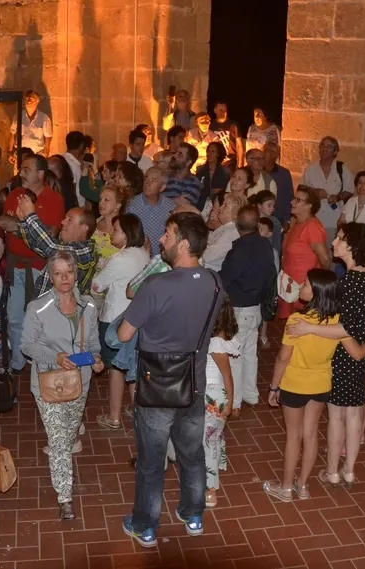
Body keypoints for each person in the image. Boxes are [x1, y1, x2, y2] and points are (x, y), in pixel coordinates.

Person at [118, 213, 224, 547]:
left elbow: (123, 334)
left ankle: (146, 525)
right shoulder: (215, 282)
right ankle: (193, 516)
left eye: (168, 234)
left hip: (157, 387)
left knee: (151, 462)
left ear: (184, 243)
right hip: (194, 383)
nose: (161, 239)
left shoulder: (156, 285)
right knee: (192, 454)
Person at [285, 224, 365, 487]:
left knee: (337, 414)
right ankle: (349, 469)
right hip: (364, 352)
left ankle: (332, 472)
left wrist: (309, 328)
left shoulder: (348, 282)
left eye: (340, 239)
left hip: (344, 355)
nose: (334, 243)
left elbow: (343, 328)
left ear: (352, 247)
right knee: (355, 413)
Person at [22, 251, 104, 520]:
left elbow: (93, 344)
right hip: (48, 383)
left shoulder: (88, 307)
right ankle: (64, 497)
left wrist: (96, 359)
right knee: (58, 440)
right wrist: (54, 357)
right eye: (58, 273)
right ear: (51, 276)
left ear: (76, 274)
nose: (64, 278)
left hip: (80, 382)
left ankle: (63, 472)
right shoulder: (38, 308)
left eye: (68, 272)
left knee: (68, 436)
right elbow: (27, 345)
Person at [263, 270, 341, 502]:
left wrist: (273, 387)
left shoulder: (297, 320)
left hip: (295, 384)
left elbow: (283, 358)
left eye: (305, 284)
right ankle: (303, 485)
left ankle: (286, 488)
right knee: (311, 434)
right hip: (321, 384)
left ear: (316, 292)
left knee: (293, 437)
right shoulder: (336, 320)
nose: (300, 286)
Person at [0, 152, 65, 372]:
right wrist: (30, 225)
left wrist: (19, 224)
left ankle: (41, 362)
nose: (21, 173)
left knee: (41, 318)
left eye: (27, 169)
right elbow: (2, 221)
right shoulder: (15, 194)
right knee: (14, 317)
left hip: (40, 269)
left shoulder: (54, 199)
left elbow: (52, 233)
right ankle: (18, 363)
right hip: (15, 266)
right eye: (21, 169)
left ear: (41, 173)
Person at [219, 205, 276, 418]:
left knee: (235, 354)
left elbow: (225, 278)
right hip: (256, 306)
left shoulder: (240, 250)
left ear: (237, 224)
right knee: (250, 353)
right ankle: (251, 394)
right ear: (258, 224)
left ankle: (235, 401)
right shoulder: (265, 245)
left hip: (239, 307)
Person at [94, 215, 150, 429]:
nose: (111, 232)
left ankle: (114, 417)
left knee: (116, 369)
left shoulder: (119, 258)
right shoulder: (143, 254)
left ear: (126, 234)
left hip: (114, 320)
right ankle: (136, 410)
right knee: (133, 366)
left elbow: (97, 284)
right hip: (137, 318)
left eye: (116, 229)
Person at [10, 196, 98, 299]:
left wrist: (30, 215)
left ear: (84, 228)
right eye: (65, 218)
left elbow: (51, 247)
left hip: (62, 308)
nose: (62, 222)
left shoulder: (86, 251)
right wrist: (23, 220)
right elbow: (37, 245)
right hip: (46, 305)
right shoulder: (64, 246)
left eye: (69, 220)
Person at [203, 296, 238, 507]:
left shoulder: (216, 343)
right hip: (211, 394)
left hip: (213, 396)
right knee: (213, 437)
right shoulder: (218, 338)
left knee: (208, 441)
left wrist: (230, 403)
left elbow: (227, 376)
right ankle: (215, 467)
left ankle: (210, 489)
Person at [278, 185, 331, 319]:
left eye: (298, 200)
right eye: (293, 199)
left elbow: (325, 259)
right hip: (290, 283)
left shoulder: (313, 227)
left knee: (300, 323)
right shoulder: (296, 221)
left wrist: (318, 285)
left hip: (302, 287)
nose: (292, 202)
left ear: (309, 206)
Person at [301, 136, 352, 243]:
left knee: (331, 249)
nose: (324, 148)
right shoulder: (310, 169)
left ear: (335, 151)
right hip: (314, 218)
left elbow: (349, 190)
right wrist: (314, 192)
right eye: (322, 146)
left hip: (334, 220)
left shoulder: (341, 169)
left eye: (329, 146)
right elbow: (302, 190)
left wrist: (338, 197)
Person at [202, 193, 246, 272]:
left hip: (211, 272)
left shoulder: (231, 232)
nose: (220, 208)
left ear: (235, 213)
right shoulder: (225, 227)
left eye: (225, 206)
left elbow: (207, 257)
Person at [338, 170, 365, 236]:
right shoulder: (351, 201)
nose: (362, 185)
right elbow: (340, 222)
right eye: (360, 182)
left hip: (363, 241)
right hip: (347, 238)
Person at [10, 90, 53, 155]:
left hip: (37, 154)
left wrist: (45, 153)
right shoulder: (18, 116)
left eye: (32, 97)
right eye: (27, 97)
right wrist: (10, 152)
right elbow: (12, 134)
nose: (29, 99)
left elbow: (48, 137)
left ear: (38, 101)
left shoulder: (44, 118)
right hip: (20, 153)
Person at [262, 143, 294, 226]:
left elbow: (288, 197)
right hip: (259, 216)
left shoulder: (284, 173)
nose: (264, 153)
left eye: (267, 150)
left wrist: (287, 219)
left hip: (277, 217)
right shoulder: (256, 171)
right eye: (264, 150)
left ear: (274, 155)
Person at [194, 142, 230, 210]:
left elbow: (227, 190)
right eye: (208, 151)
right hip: (200, 204)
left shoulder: (225, 172)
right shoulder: (200, 169)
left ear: (218, 154)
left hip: (218, 205)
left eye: (213, 151)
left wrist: (219, 191)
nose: (209, 154)